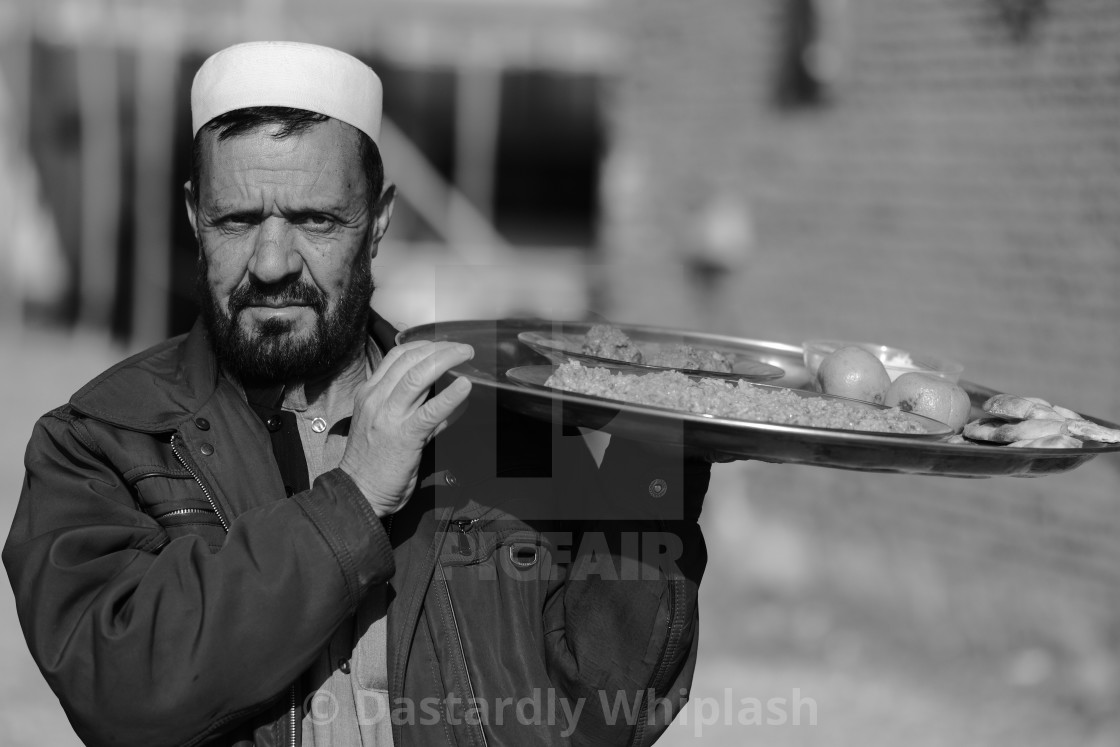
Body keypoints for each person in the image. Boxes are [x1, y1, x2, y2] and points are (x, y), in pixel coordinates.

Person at [4, 41, 712, 747]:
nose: (273, 264)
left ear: (377, 221)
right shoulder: (101, 440)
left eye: (316, 220)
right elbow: (124, 691)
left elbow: (599, 711)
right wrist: (354, 499)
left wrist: (653, 468)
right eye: (238, 221)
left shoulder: (500, 422)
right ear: (195, 217)